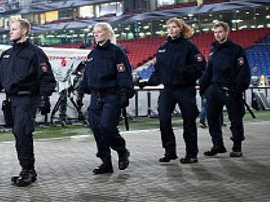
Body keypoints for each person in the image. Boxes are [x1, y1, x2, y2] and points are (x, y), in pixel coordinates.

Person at [0, 19, 56, 186]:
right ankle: (27, 169)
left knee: (22, 132)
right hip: (12, 101)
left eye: (14, 29)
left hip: (28, 98)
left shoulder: (35, 53)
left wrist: (45, 97)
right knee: (18, 134)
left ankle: (28, 171)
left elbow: (46, 77)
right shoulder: (7, 54)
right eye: (10, 29)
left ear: (24, 31)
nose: (10, 32)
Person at [140, 18, 205, 164]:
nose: (171, 29)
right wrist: (148, 82)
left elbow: (201, 66)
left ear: (180, 29)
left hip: (185, 89)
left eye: (174, 27)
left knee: (188, 121)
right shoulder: (163, 47)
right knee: (164, 119)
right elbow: (159, 70)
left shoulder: (189, 46)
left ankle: (191, 153)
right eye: (169, 27)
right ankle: (170, 151)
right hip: (168, 90)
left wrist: (183, 73)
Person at [75, 22, 134, 174]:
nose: (96, 35)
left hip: (112, 95)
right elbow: (87, 76)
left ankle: (121, 150)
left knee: (106, 127)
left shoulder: (117, 52)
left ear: (108, 34)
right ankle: (106, 162)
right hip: (96, 97)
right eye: (94, 32)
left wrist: (125, 93)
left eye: (99, 32)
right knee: (96, 129)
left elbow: (123, 73)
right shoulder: (92, 55)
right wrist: (80, 93)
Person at [199, 21, 252, 157]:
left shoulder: (236, 49)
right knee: (211, 119)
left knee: (235, 119)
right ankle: (218, 145)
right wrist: (203, 89)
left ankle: (237, 147)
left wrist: (237, 89)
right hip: (213, 90)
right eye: (215, 32)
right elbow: (207, 72)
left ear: (227, 32)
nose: (217, 35)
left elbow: (243, 71)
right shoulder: (213, 51)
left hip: (230, 91)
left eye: (220, 31)